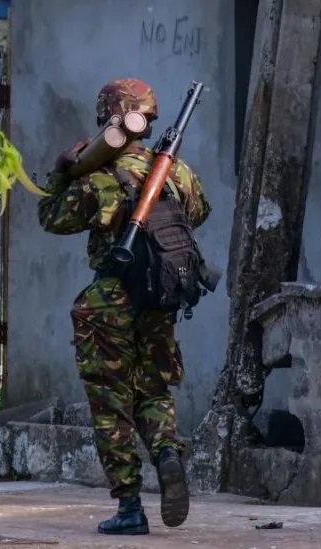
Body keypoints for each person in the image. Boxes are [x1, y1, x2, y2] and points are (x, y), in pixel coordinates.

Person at [36, 78, 212, 535]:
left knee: (111, 404)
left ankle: (130, 507)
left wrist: (61, 170)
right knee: (153, 390)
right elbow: (200, 211)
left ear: (110, 120)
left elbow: (51, 218)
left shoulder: (98, 179)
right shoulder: (177, 172)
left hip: (110, 302)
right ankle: (168, 455)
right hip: (159, 297)